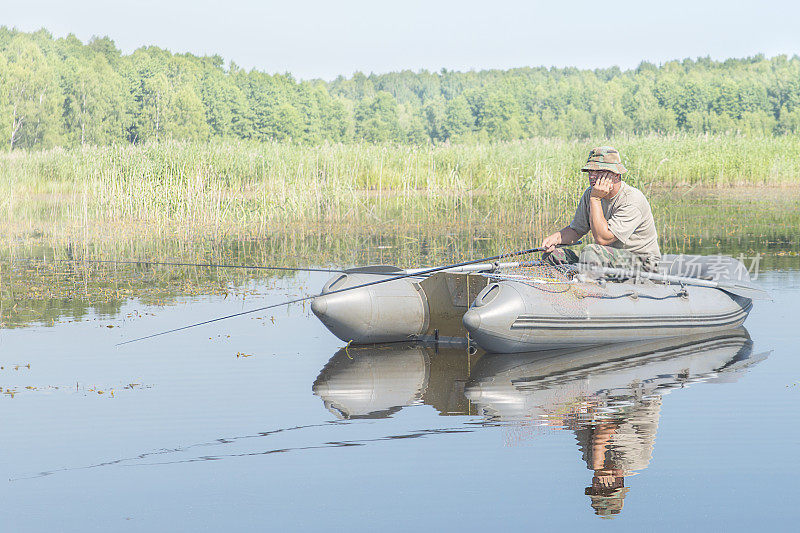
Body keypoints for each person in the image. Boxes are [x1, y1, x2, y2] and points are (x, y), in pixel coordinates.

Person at [541, 146, 661, 273]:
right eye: (590, 172)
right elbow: (576, 230)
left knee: (591, 252)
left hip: (642, 263)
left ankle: (592, 288)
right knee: (554, 255)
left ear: (615, 175)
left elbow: (603, 239)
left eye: (599, 172)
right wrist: (556, 238)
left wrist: (596, 199)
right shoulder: (590, 194)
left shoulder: (631, 199)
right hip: (609, 259)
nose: (592, 176)